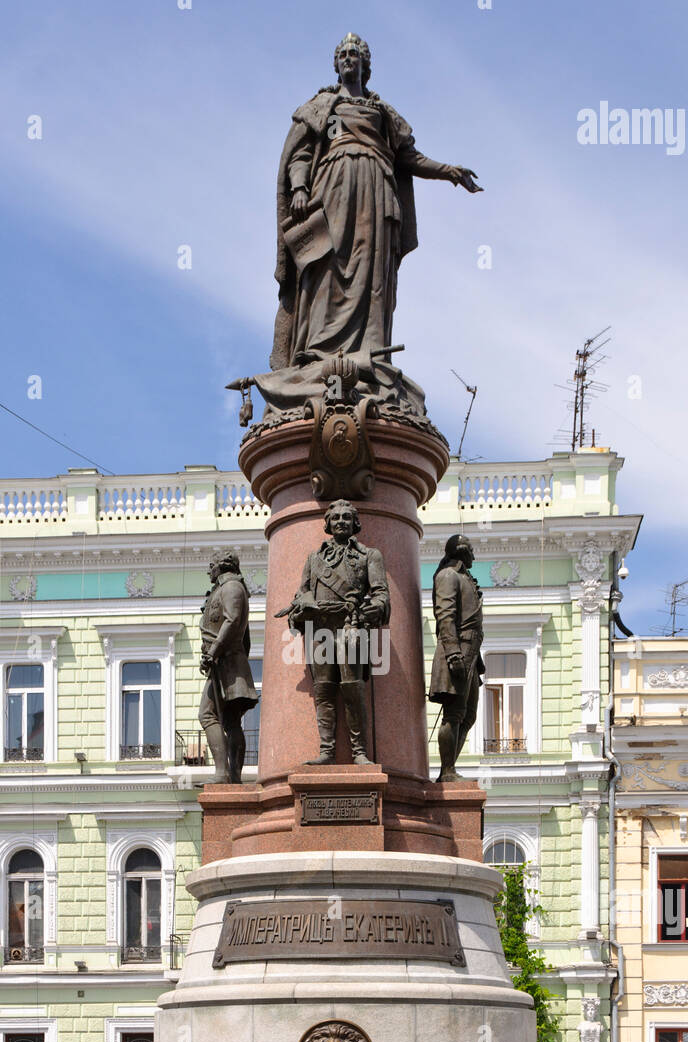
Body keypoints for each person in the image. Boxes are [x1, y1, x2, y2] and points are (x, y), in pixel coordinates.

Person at [252, 33, 481, 416]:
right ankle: (316, 354)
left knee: (371, 274)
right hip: (333, 192)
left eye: (354, 54)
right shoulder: (322, 106)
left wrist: (450, 172)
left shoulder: (383, 113)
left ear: (365, 64)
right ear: (335, 63)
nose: (347, 58)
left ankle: (370, 354)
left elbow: (409, 157)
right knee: (327, 267)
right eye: (341, 54)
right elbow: (301, 154)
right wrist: (299, 187)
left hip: (375, 197)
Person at [284, 500, 390, 764]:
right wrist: (303, 604)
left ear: (355, 523)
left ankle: (359, 753)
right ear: (328, 524)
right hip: (319, 628)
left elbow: (381, 594)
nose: (341, 521)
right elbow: (303, 590)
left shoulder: (369, 555)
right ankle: (327, 752)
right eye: (335, 517)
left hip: (349, 626)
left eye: (346, 517)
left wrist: (369, 611)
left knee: (353, 689)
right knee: (323, 690)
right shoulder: (314, 558)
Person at [198, 551, 259, 783]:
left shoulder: (232, 587)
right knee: (230, 721)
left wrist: (214, 651)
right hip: (224, 662)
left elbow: (233, 622)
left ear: (222, 565)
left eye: (211, 565)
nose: (209, 570)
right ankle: (231, 776)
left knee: (207, 714)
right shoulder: (225, 588)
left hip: (227, 662)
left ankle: (224, 774)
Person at [428, 535, 484, 781]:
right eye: (471, 550)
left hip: (471, 653)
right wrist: (453, 654)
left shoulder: (464, 577)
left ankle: (449, 769)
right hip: (458, 651)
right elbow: (445, 616)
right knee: (453, 713)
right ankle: (447, 771)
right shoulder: (448, 576)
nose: (474, 555)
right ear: (461, 551)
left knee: (468, 715)